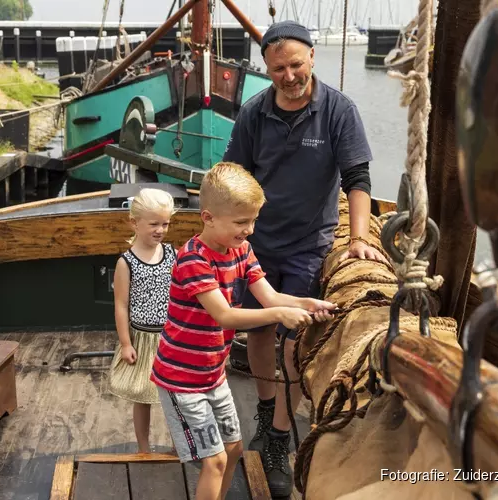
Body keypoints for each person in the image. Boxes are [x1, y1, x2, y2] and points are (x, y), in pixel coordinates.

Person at [221, 20, 387, 497]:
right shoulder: (254, 114)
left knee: (295, 339)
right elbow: (235, 175)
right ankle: (264, 405)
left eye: (296, 64)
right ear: (266, 69)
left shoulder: (338, 110)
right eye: (278, 69)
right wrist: (225, 233)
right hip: (254, 242)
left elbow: (357, 176)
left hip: (307, 245)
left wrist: (358, 237)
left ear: (312, 57)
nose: (289, 76)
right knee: (256, 328)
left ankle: (276, 434)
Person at [151, 162, 336, 500]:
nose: (249, 229)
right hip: (182, 380)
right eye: (240, 222)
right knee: (216, 461)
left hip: (213, 375)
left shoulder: (241, 250)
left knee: (234, 451)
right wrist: (280, 313)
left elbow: (271, 296)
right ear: (208, 217)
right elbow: (224, 316)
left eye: (253, 220)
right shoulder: (194, 260)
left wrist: (306, 303)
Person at [109, 188, 177, 453]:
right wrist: (126, 343)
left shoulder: (172, 254)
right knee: (142, 396)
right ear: (134, 223)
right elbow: (121, 305)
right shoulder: (126, 263)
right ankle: (144, 447)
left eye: (166, 223)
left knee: (175, 397)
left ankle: (176, 446)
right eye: (154, 224)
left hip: (170, 337)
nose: (161, 229)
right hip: (143, 337)